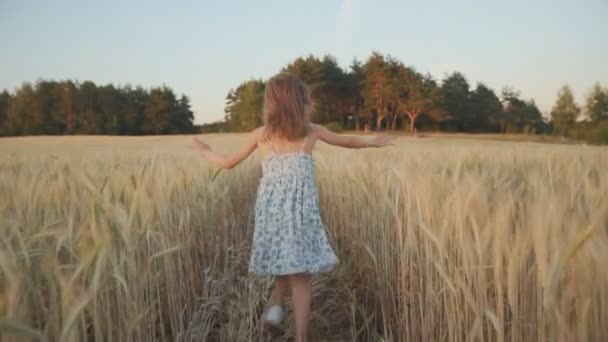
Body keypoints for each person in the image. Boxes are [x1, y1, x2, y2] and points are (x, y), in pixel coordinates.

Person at [191, 72, 394, 342]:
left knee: (282, 262)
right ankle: (300, 336)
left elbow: (228, 163)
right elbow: (348, 142)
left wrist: (206, 151)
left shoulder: (261, 135)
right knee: (300, 275)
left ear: (271, 104)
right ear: (301, 101)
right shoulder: (312, 132)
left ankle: (275, 309)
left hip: (271, 212)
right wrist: (373, 141)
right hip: (301, 213)